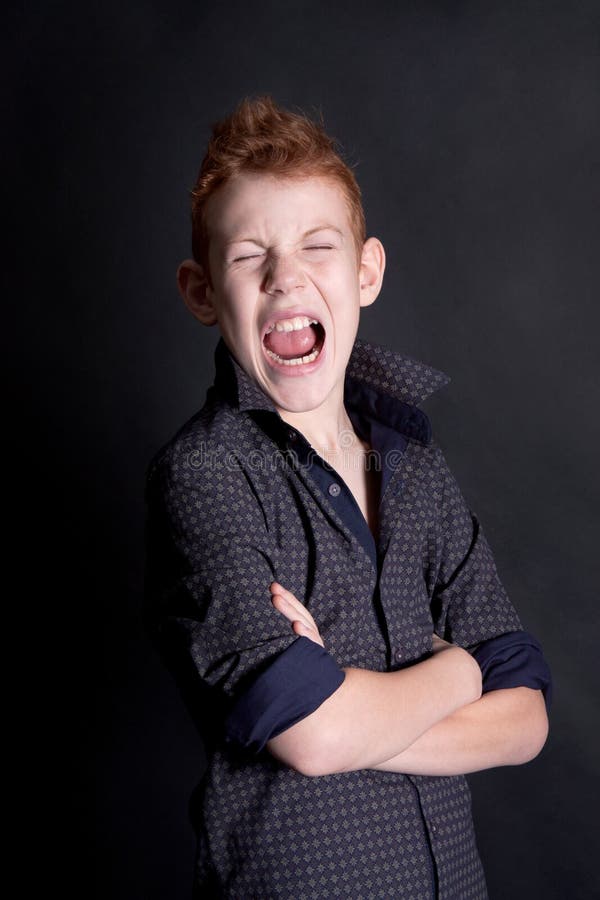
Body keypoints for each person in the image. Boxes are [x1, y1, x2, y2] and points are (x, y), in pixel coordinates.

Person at [144, 96, 552, 899]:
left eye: (316, 246)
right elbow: (312, 733)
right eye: (249, 254)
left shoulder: (418, 467)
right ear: (201, 292)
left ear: (364, 273)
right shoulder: (205, 476)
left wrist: (349, 709)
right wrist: (460, 670)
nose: (285, 275)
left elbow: (528, 721)